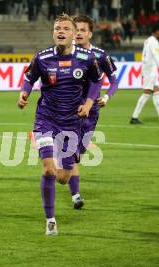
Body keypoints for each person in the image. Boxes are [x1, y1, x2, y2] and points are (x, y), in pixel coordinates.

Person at [18, 13, 102, 235]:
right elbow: (28, 78)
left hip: (72, 123)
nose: (61, 32)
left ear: (74, 34)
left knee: (63, 178)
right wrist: (24, 94)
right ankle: (50, 220)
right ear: (53, 33)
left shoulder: (86, 58)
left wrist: (89, 103)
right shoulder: (43, 57)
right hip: (46, 119)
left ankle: (61, 176)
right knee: (48, 168)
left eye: (66, 28)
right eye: (57, 29)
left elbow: (96, 80)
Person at [69, 14, 118, 208]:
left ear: (90, 33)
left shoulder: (100, 55)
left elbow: (113, 80)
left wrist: (106, 96)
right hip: (70, 108)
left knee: (78, 153)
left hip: (92, 110)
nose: (78, 33)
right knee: (72, 152)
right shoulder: (65, 54)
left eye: (82, 30)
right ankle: (76, 196)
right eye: (76, 30)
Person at [130, 23, 159, 124]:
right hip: (150, 70)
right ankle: (134, 117)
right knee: (147, 93)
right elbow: (157, 57)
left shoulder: (148, 40)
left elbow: (144, 57)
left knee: (156, 92)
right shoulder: (154, 42)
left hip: (149, 69)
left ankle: (134, 117)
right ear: (156, 31)